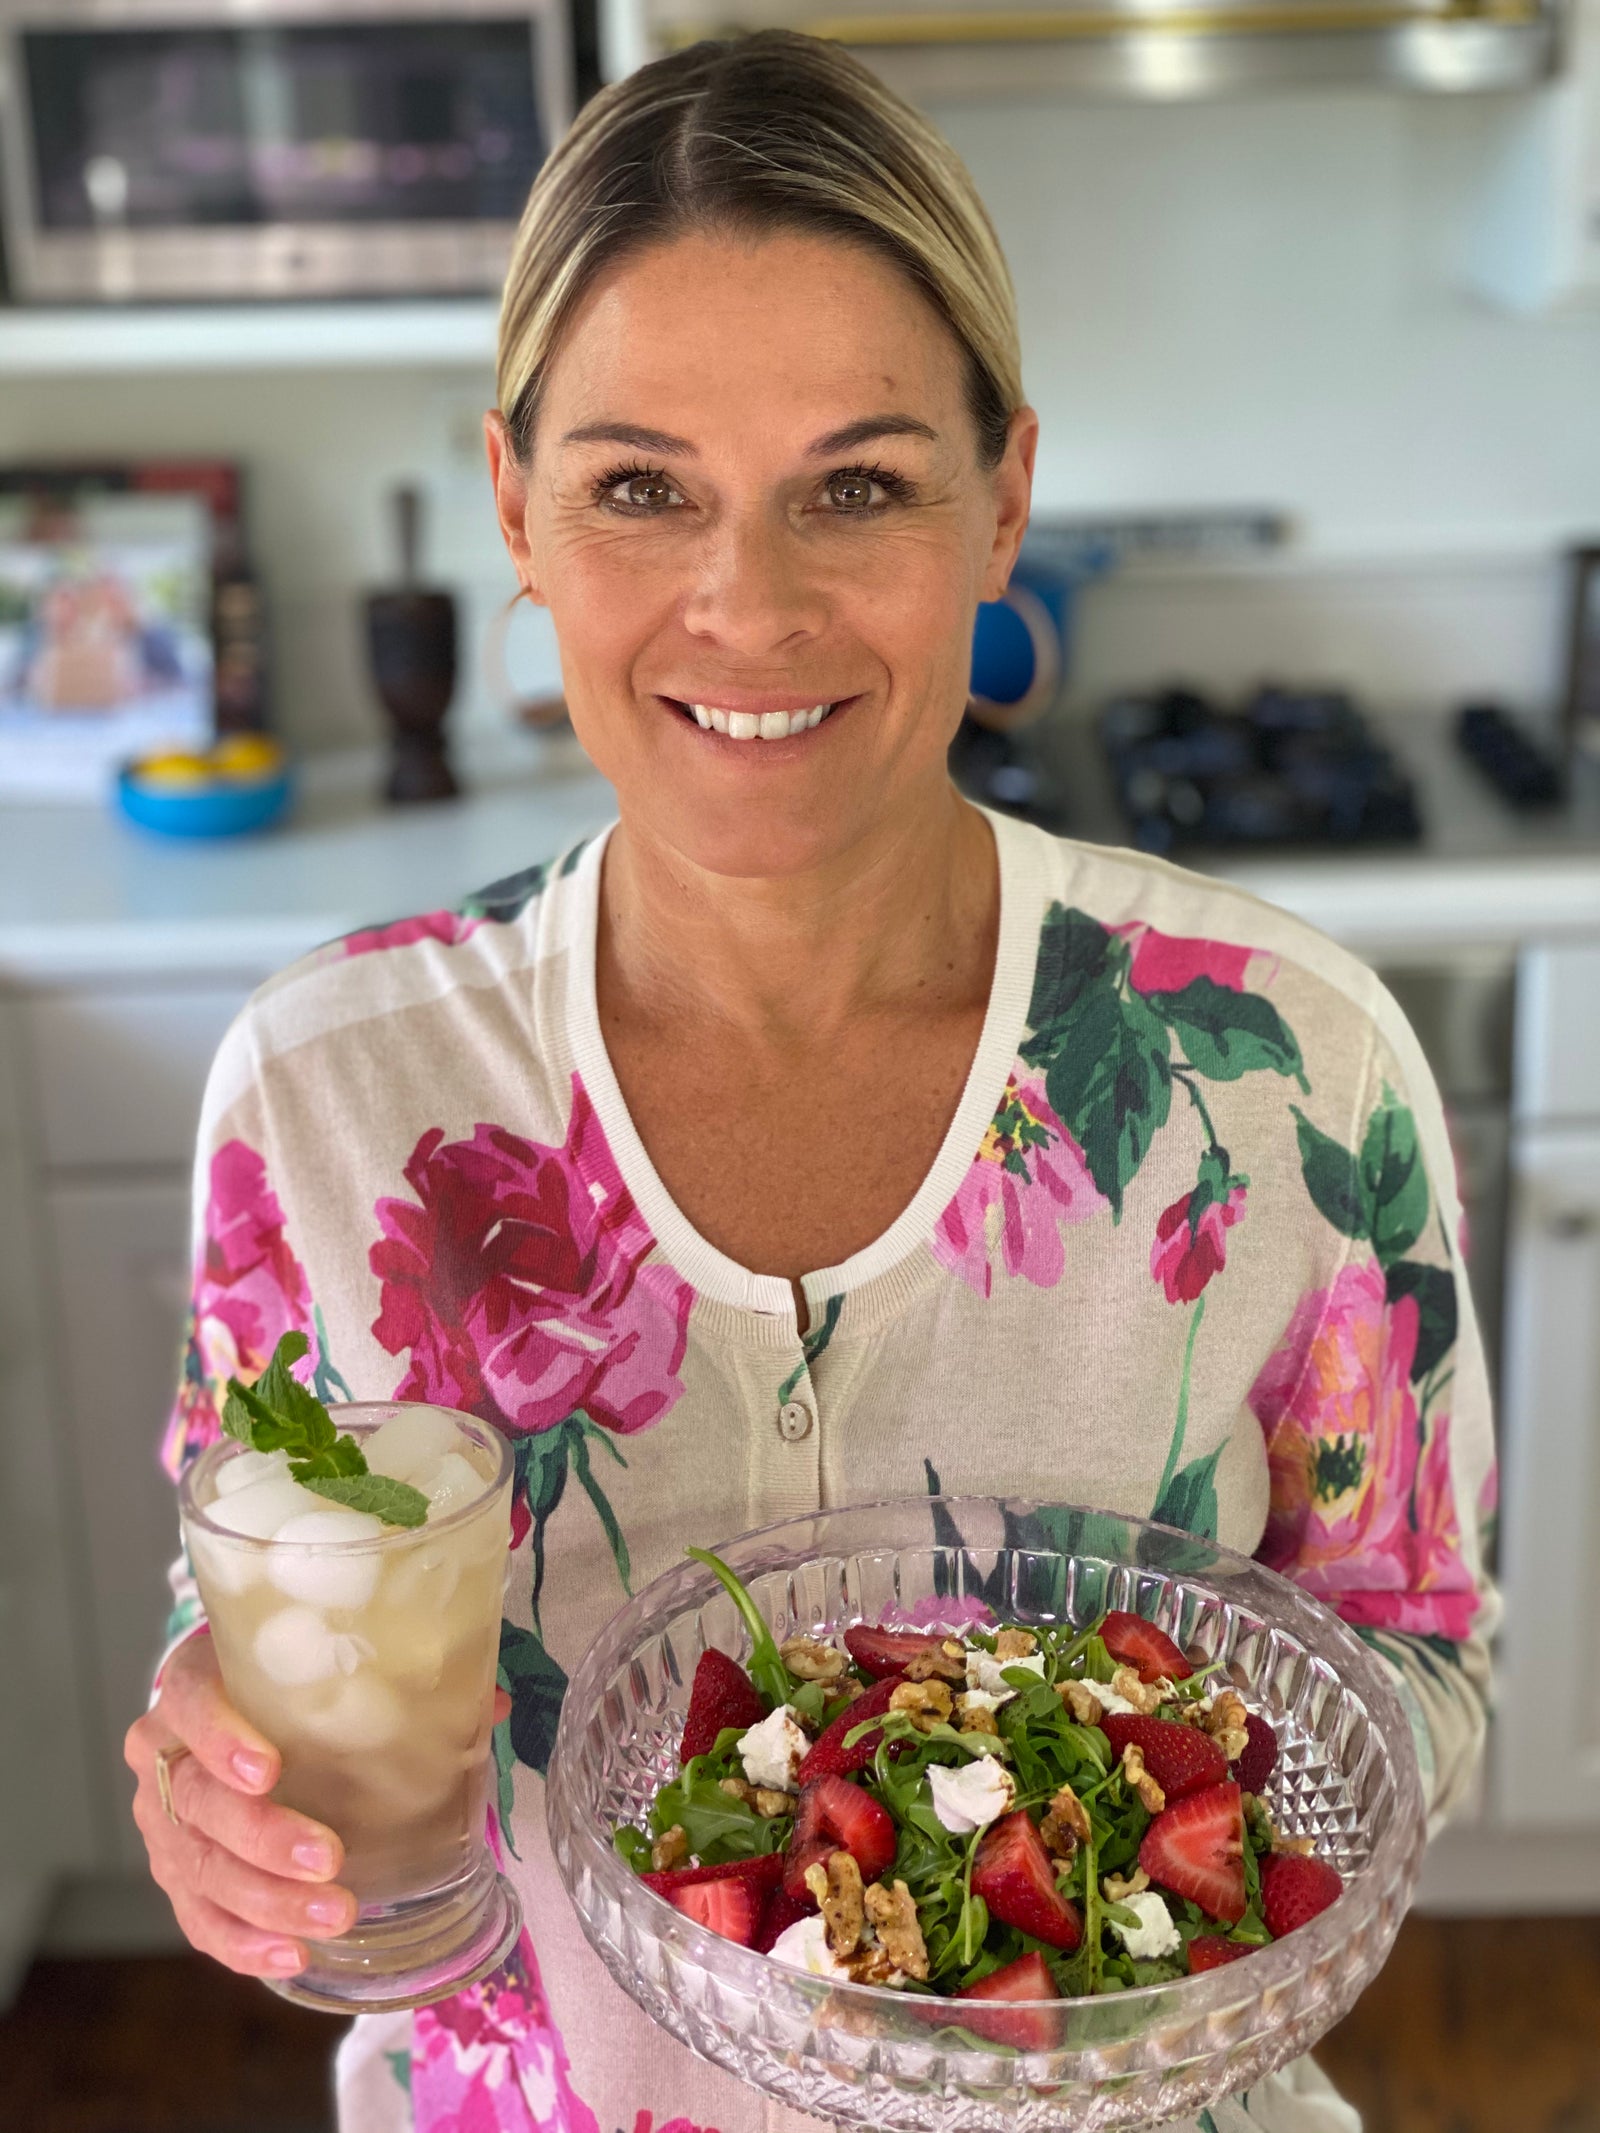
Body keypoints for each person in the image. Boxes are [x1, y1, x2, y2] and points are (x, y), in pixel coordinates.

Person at [126, 32, 1495, 2133]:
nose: (744, 606)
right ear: (512, 502)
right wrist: (211, 1754)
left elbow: (1403, 1652)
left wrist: (1098, 1830)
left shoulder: (1288, 1066)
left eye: (854, 484)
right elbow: (264, 1589)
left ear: (1000, 497)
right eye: (637, 486)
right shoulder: (329, 1087)